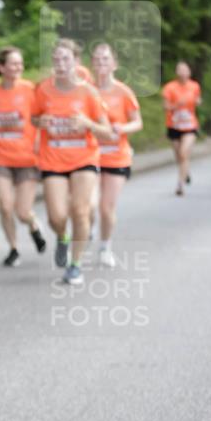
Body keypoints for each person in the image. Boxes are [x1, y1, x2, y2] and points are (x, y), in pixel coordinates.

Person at [31, 39, 111, 286]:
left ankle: (75, 265)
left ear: (76, 62)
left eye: (66, 59)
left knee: (80, 210)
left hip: (84, 158)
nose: (60, 64)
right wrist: (39, 122)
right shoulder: (43, 90)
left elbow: (106, 131)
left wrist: (88, 124)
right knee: (56, 216)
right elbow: (34, 118)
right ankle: (62, 237)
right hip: (53, 159)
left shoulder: (89, 92)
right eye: (56, 59)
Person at [0, 46, 46, 266]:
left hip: (27, 158)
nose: (18, 67)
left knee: (23, 212)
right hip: (1, 156)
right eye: (13, 63)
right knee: (5, 205)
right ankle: (13, 248)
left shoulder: (30, 90)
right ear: (0, 67)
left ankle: (33, 226)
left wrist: (39, 142)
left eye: (20, 63)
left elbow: (41, 119)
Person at [91, 43, 143, 267]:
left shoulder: (123, 92)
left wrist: (123, 128)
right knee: (87, 204)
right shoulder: (86, 90)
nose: (101, 63)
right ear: (92, 64)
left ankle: (105, 247)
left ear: (114, 64)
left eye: (106, 59)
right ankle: (88, 227)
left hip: (116, 156)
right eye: (97, 59)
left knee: (106, 207)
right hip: (89, 156)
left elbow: (137, 122)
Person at [161, 61, 201, 196]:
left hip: (190, 125)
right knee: (179, 156)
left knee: (184, 153)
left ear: (189, 72)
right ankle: (186, 171)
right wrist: (177, 105)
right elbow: (165, 107)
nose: (183, 73)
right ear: (177, 72)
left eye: (185, 70)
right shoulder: (169, 87)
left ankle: (180, 185)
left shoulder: (194, 86)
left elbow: (198, 100)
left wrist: (197, 102)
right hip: (174, 126)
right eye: (180, 70)